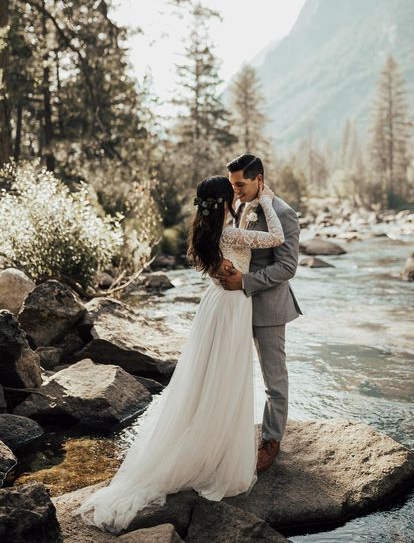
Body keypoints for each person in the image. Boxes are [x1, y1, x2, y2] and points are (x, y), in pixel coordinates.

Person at [72, 175, 285, 535]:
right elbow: (276, 237)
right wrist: (266, 200)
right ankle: (211, 456)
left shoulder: (205, 233)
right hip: (232, 308)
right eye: (231, 192)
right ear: (222, 201)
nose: (238, 194)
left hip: (216, 306)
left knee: (206, 377)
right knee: (224, 379)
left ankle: (204, 442)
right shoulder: (231, 233)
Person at [217, 154, 302, 473]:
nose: (235, 190)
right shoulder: (238, 206)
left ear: (259, 180)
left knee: (273, 379)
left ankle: (271, 440)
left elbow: (287, 267)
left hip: (267, 308)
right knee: (230, 374)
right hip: (234, 307)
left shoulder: (284, 213)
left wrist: (245, 282)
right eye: (232, 184)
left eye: (241, 184)